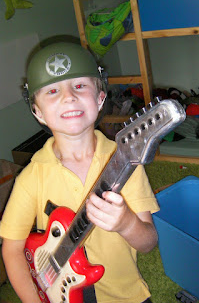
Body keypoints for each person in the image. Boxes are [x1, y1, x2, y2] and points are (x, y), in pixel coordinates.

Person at [0, 41, 160, 303]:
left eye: (80, 85)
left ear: (100, 98)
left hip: (125, 296)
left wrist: (126, 223)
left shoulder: (126, 163)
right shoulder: (31, 178)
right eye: (52, 91)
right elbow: (12, 250)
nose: (68, 96)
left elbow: (148, 242)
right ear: (37, 111)